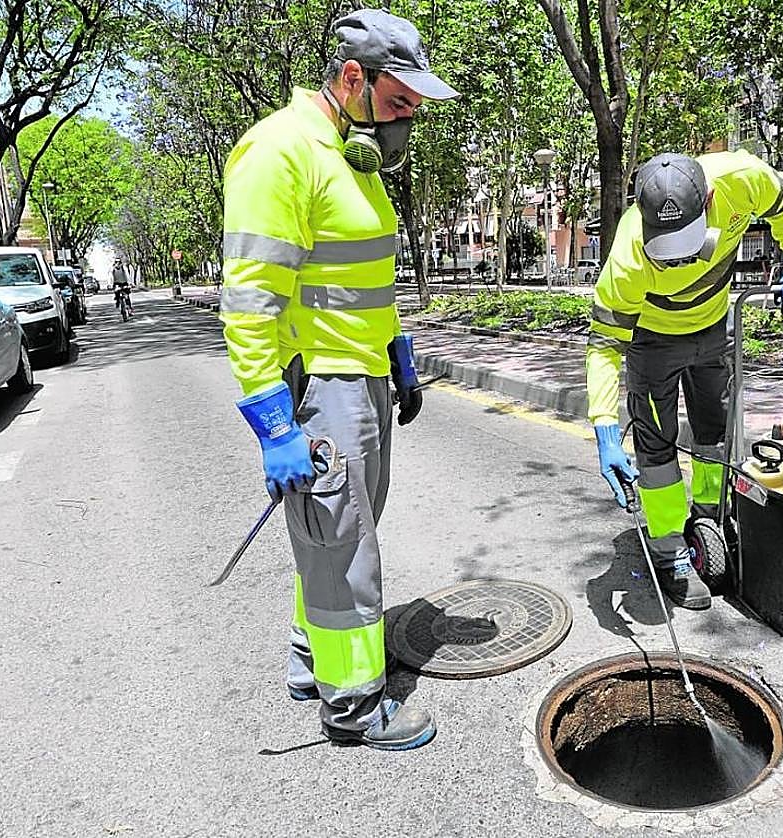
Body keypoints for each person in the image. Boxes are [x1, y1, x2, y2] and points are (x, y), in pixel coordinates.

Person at [218, 8, 458, 751]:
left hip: (363, 377)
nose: (405, 124)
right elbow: (250, 302)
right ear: (352, 78)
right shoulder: (280, 154)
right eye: (397, 104)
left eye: (415, 111)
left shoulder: (347, 153)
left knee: (338, 534)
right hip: (319, 386)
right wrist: (274, 423)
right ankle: (354, 705)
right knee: (342, 543)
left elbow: (361, 281)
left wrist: (399, 355)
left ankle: (306, 657)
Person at [587, 151, 783, 609]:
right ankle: (669, 547)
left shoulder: (742, 180)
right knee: (657, 446)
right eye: (664, 252)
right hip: (653, 343)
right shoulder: (628, 255)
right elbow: (606, 345)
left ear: (709, 200)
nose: (674, 263)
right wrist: (605, 431)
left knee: (714, 429)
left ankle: (710, 516)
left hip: (715, 329)